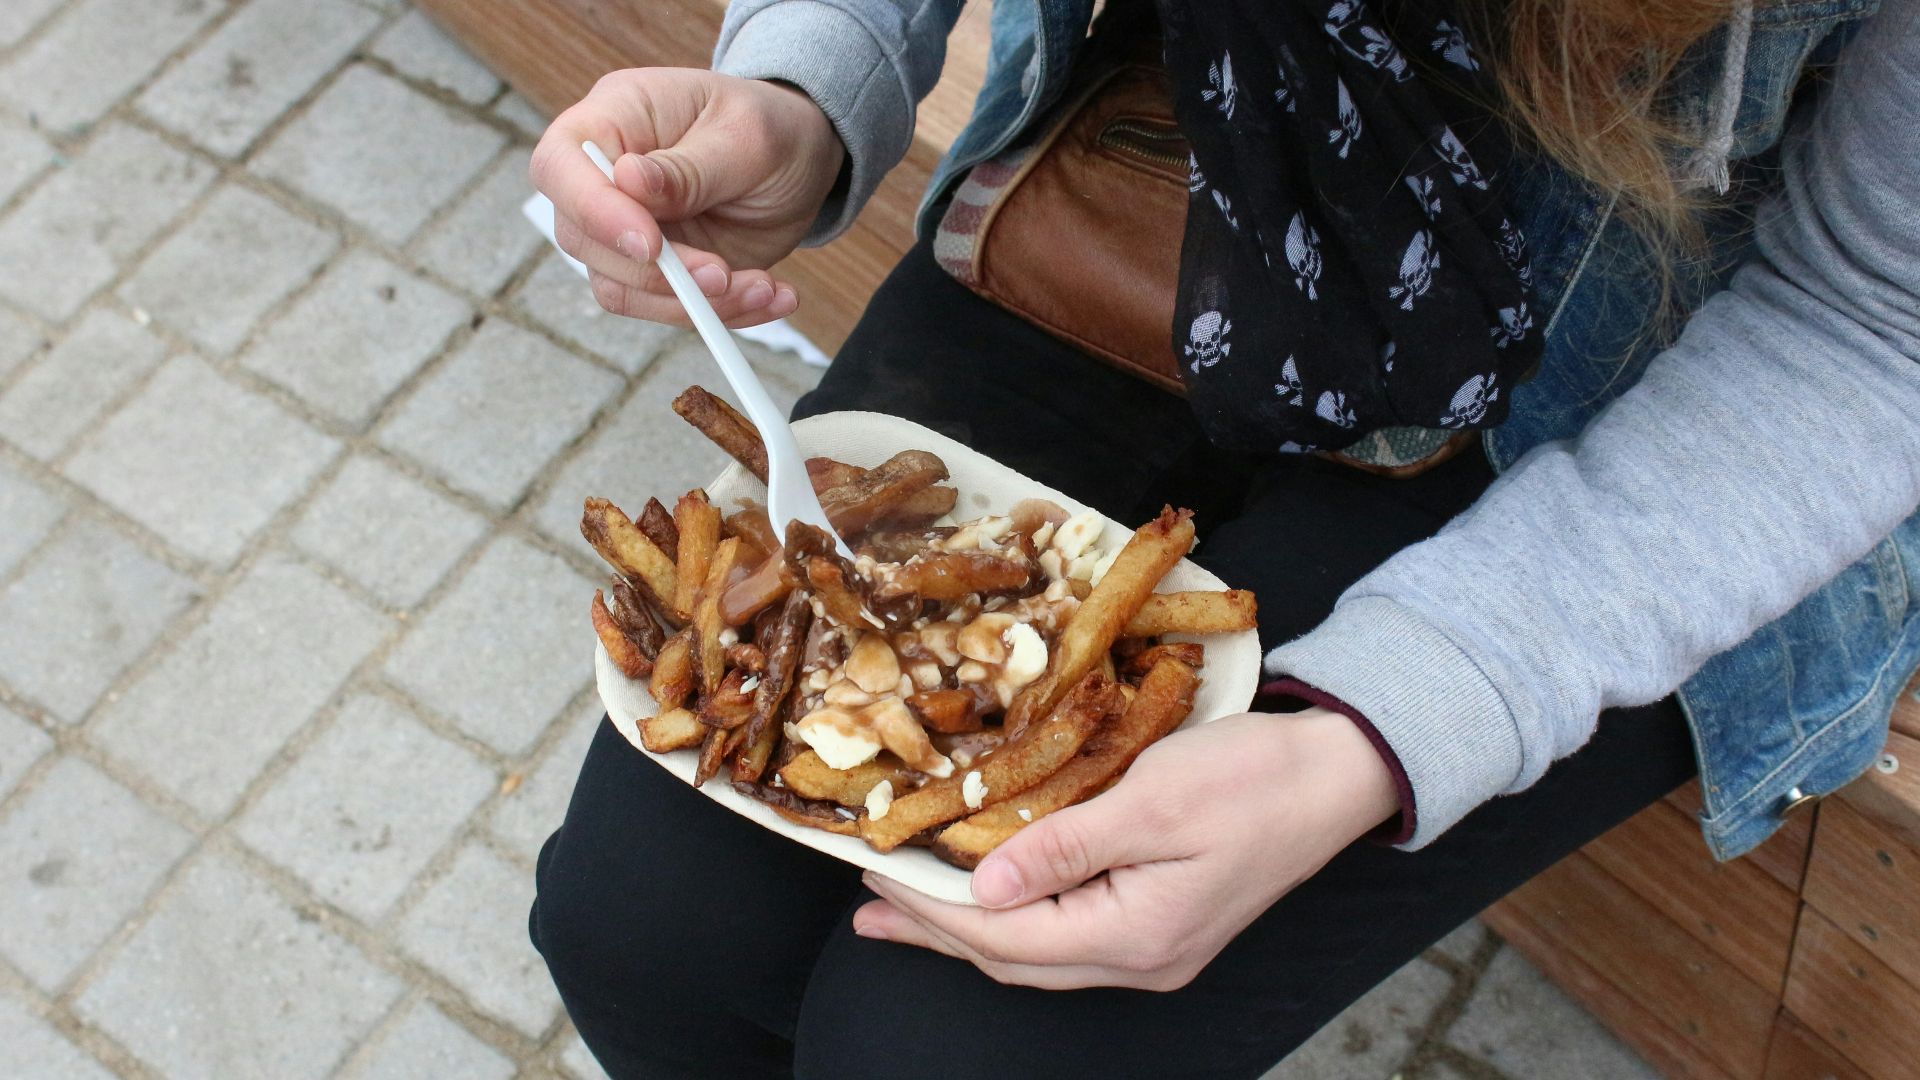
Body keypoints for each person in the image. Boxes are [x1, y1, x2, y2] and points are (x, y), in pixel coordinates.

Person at [526, 0, 1920, 1074]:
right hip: (1177, 147)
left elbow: (1876, 325)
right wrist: (802, 84)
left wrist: (1378, 735)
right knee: (641, 934)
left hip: (1654, 384)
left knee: (950, 1049)